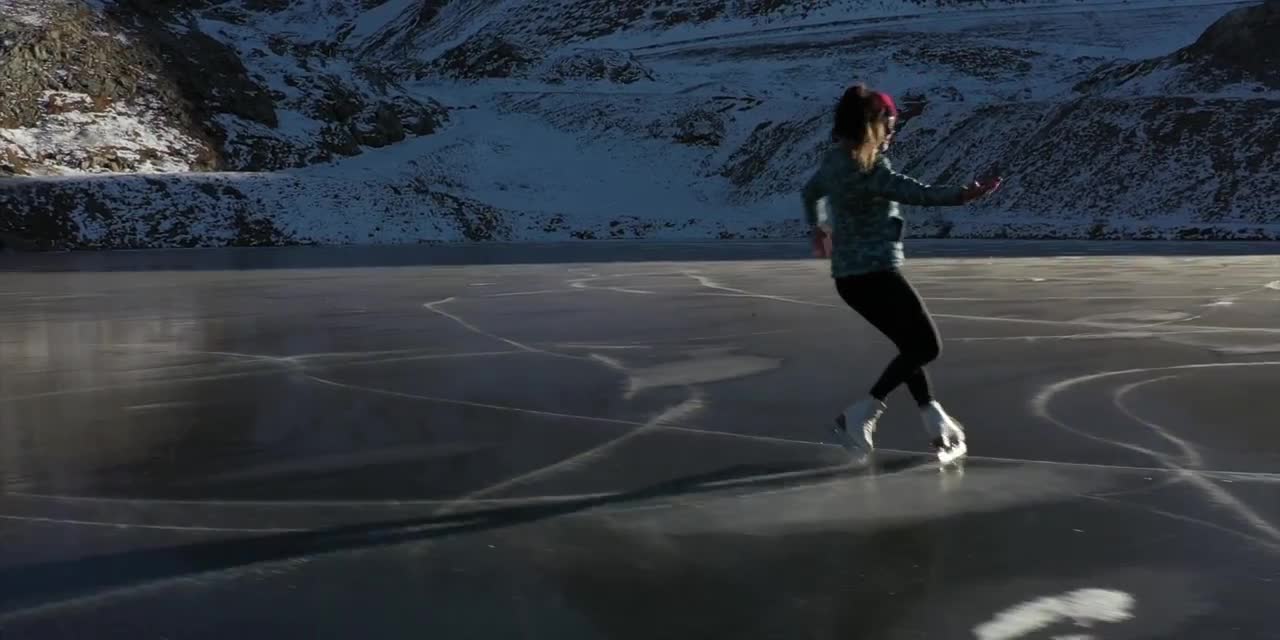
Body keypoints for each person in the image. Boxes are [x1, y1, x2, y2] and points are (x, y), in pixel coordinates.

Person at [801, 84, 1002, 462]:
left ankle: (933, 418)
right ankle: (861, 414)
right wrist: (965, 194)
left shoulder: (832, 162)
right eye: (889, 126)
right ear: (873, 127)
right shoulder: (871, 169)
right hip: (877, 275)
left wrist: (819, 227)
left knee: (909, 349)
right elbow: (916, 192)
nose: (893, 133)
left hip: (849, 280)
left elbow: (809, 192)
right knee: (927, 345)